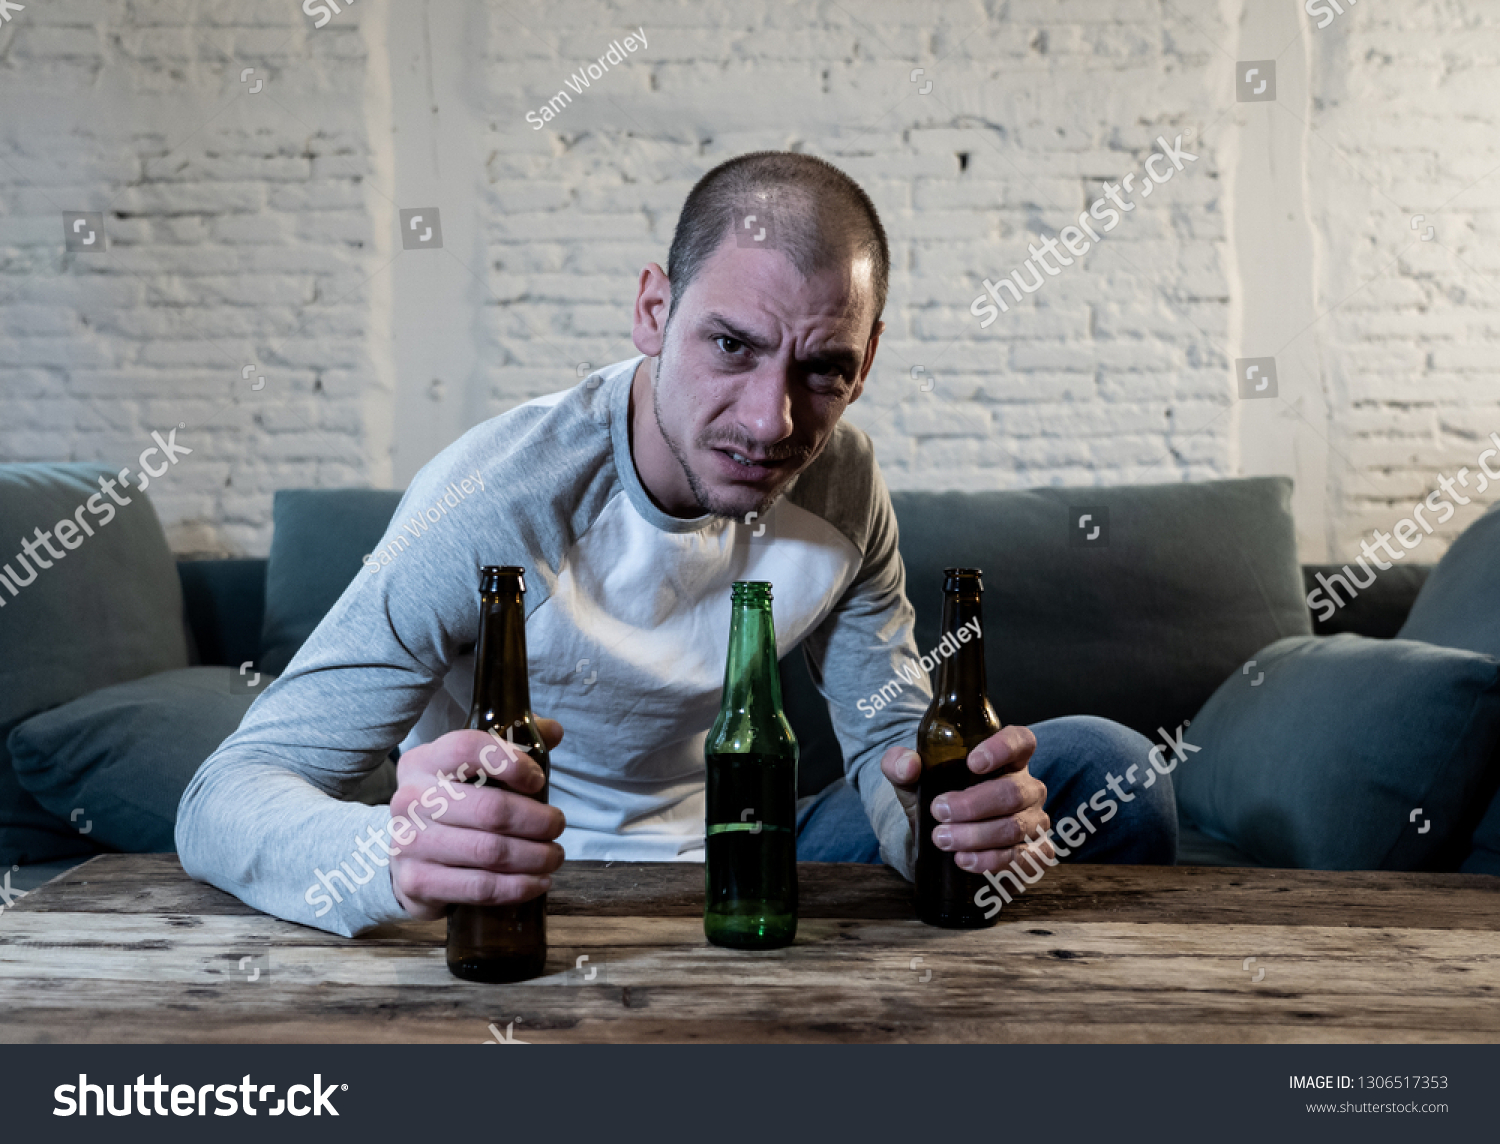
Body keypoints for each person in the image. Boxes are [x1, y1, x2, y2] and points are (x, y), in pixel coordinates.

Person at [177, 151, 1175, 937]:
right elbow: (224, 796)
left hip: (750, 845)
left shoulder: (844, 484)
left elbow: (887, 741)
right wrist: (393, 852)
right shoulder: (494, 500)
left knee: (1108, 769)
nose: (770, 420)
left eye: (823, 369)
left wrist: (951, 827)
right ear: (655, 310)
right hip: (535, 873)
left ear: (866, 362)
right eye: (731, 345)